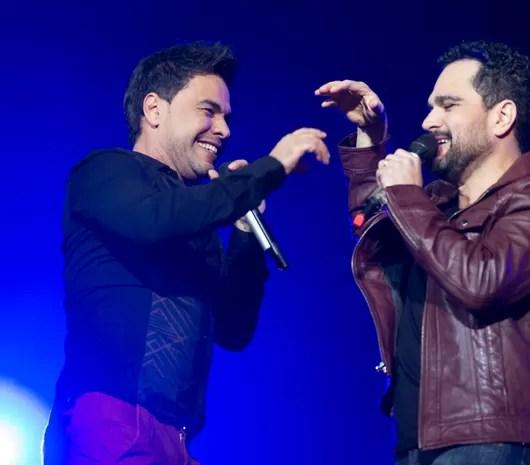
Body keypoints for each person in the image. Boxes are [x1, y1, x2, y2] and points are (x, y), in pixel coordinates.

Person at [43, 41, 330, 465]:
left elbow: (233, 328)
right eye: (208, 111)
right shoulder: (105, 172)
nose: (224, 130)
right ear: (155, 109)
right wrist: (268, 168)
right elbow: (153, 219)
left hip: (174, 439)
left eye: (227, 117)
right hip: (109, 421)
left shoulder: (198, 223)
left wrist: (245, 237)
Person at [316, 40, 530, 465]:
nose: (428, 120)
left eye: (448, 105)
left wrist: (407, 195)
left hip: (485, 440)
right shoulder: (437, 206)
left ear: (502, 117)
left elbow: (483, 282)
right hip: (418, 440)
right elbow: (374, 234)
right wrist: (371, 140)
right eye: (431, 106)